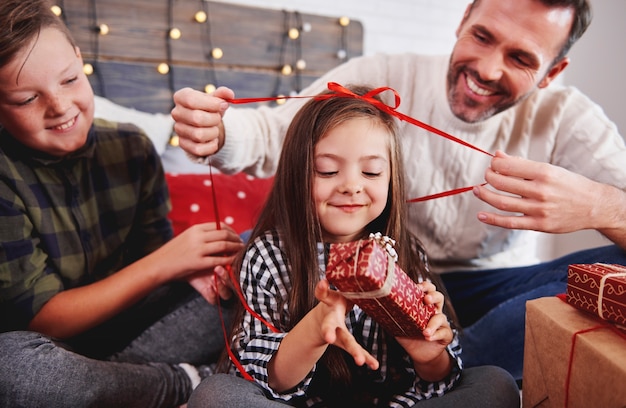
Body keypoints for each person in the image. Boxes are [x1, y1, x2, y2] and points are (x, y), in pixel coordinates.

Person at [171, 0, 626, 383]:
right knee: (246, 247)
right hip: (353, 270)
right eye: (482, 37)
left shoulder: (570, 118)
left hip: (482, 294)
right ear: (464, 18)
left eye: (520, 59)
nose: (487, 69)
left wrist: (601, 206)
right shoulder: (386, 74)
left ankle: (443, 365)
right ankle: (184, 372)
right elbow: (277, 134)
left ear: (553, 71)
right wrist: (220, 132)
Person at [187, 85, 521, 407]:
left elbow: (440, 383)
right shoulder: (268, 257)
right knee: (215, 394)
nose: (351, 185)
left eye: (372, 172)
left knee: (496, 384)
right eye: (327, 170)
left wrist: (430, 354)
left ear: (392, 179)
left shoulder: (405, 253)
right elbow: (261, 378)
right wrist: (316, 328)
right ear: (297, 173)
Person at [0, 0, 243, 406]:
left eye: (69, 79)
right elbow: (42, 317)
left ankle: (118, 386)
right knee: (10, 369)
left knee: (259, 249)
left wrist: (196, 272)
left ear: (80, 60)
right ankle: (182, 382)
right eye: (27, 99)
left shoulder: (131, 146)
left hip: (140, 331)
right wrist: (167, 261)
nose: (59, 107)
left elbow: (156, 274)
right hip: (50, 348)